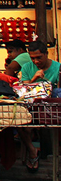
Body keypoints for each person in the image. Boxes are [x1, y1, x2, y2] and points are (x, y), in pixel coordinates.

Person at [18, 40, 59, 171]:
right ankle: (32, 150)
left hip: (50, 109)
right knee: (19, 122)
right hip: (31, 106)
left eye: (39, 58)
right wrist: (34, 79)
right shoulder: (27, 68)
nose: (36, 62)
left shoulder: (58, 68)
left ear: (46, 54)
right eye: (33, 58)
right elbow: (23, 89)